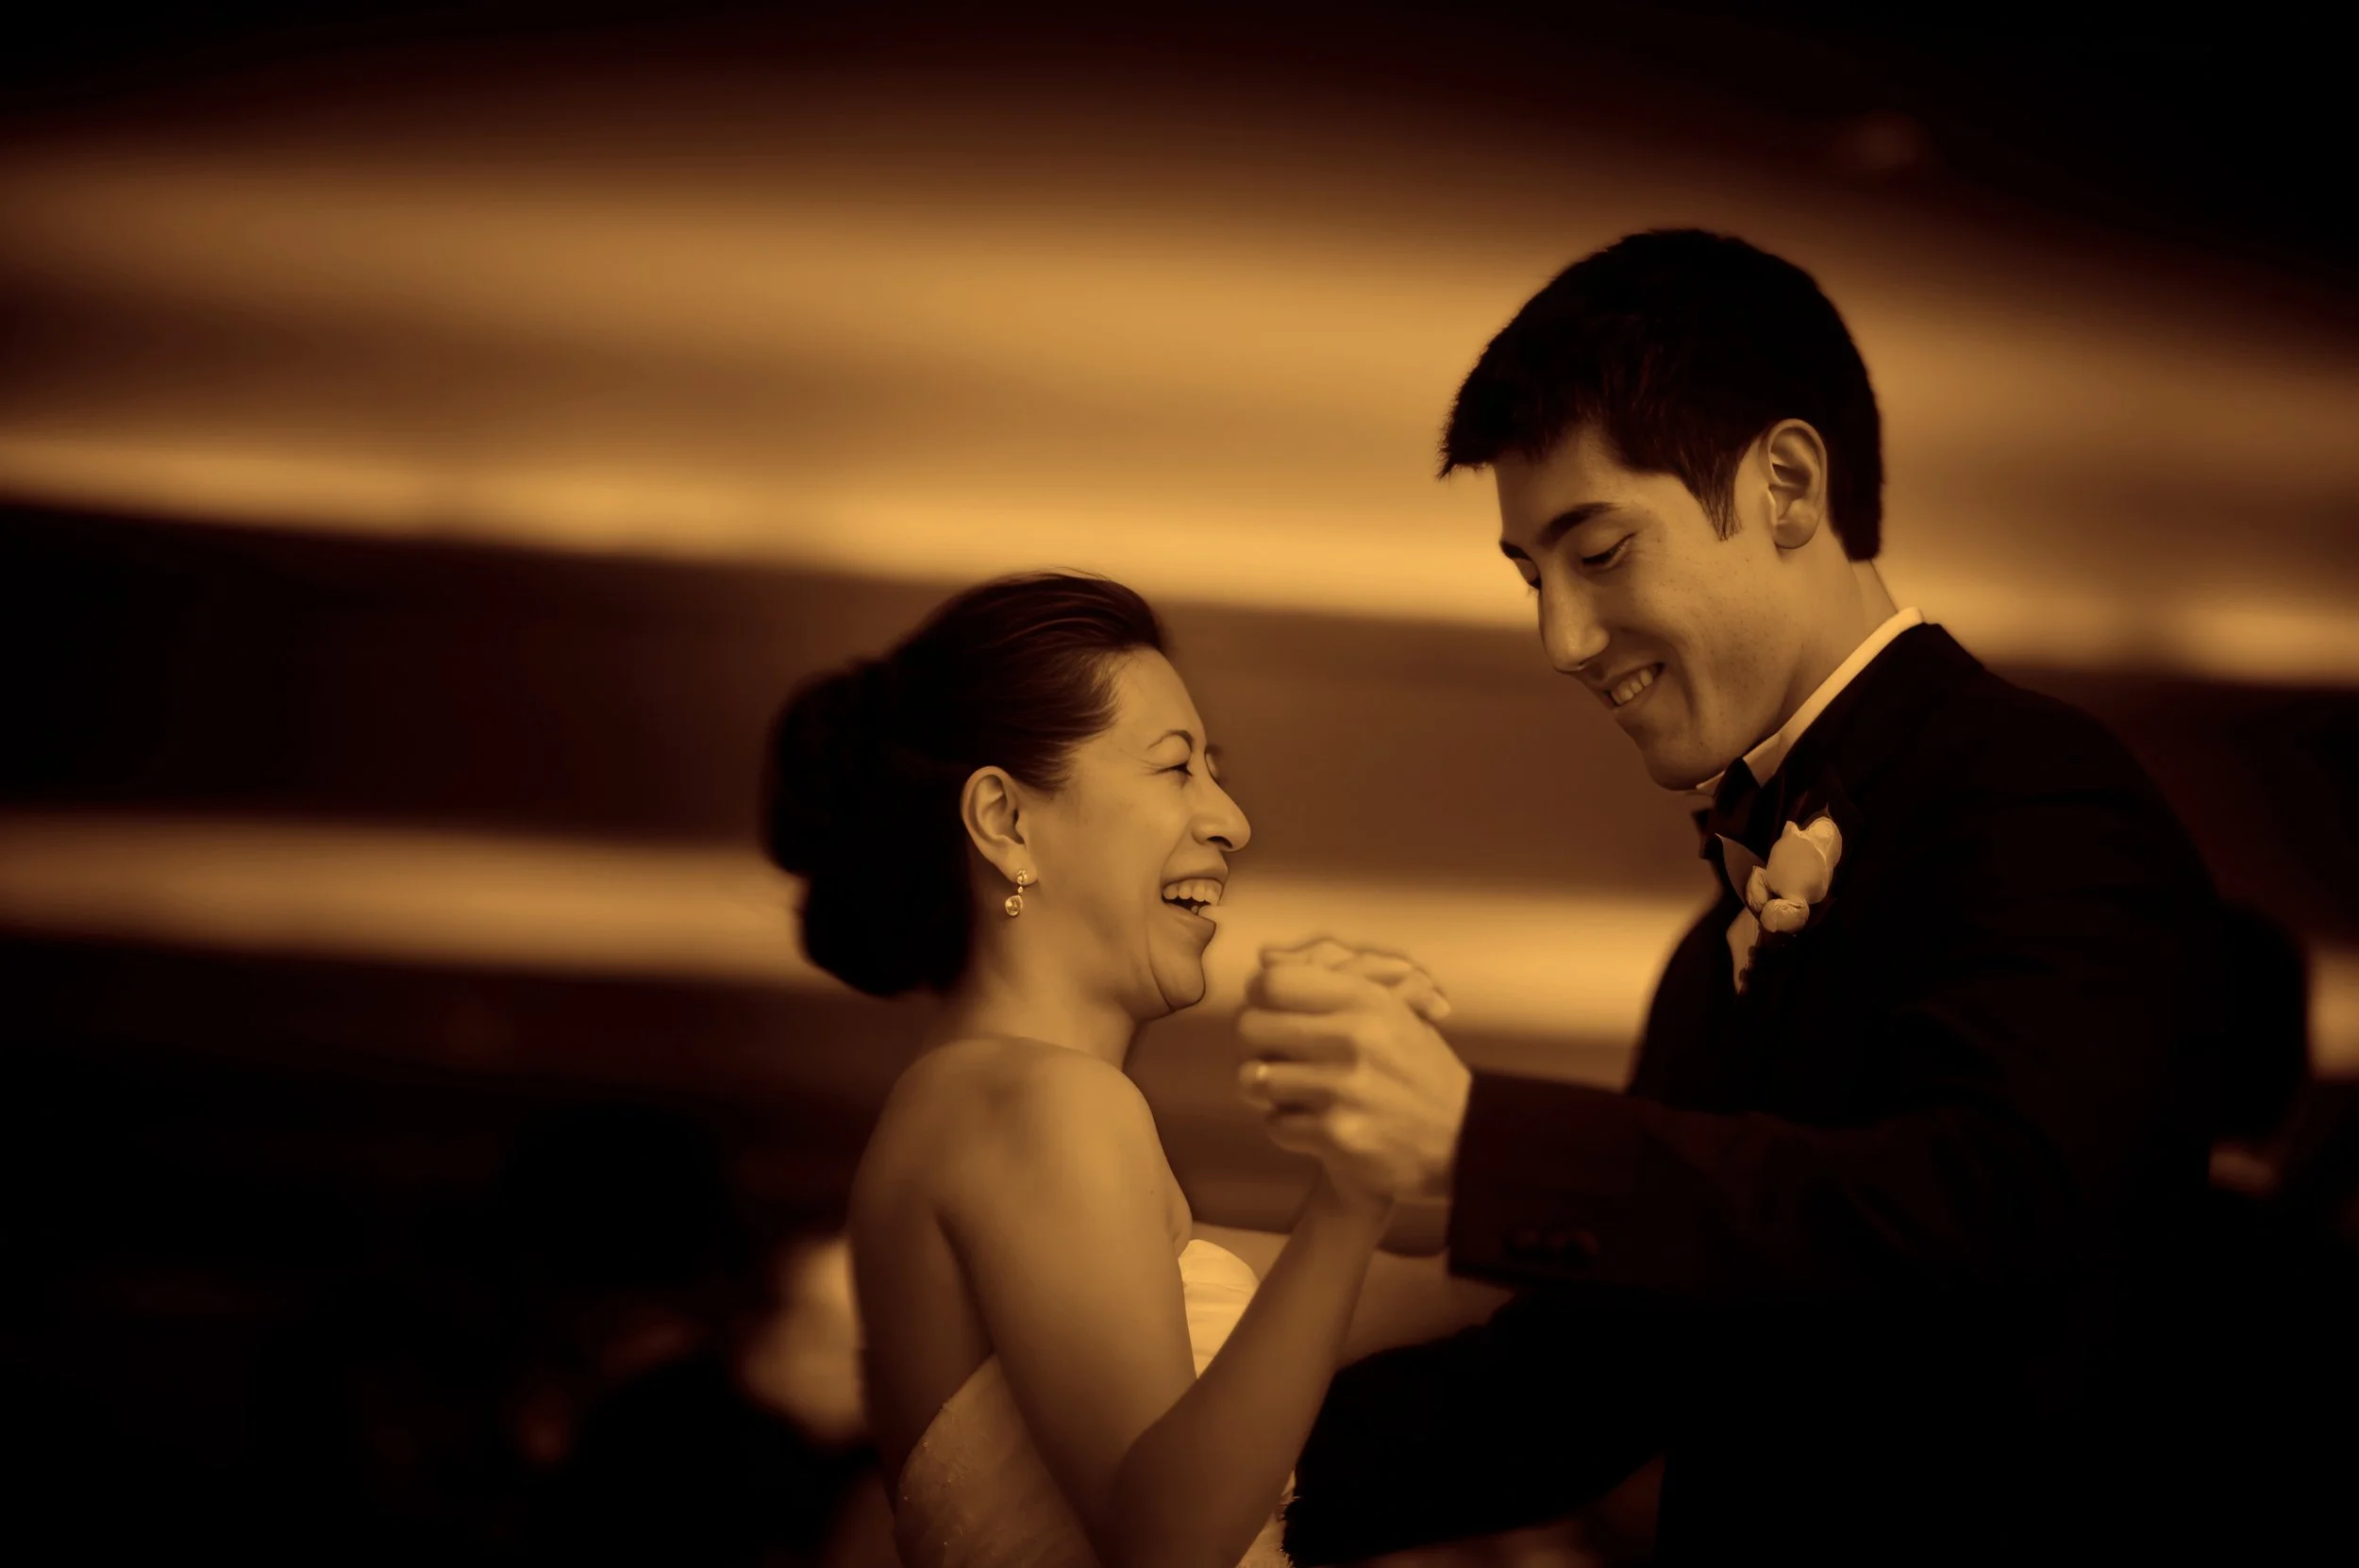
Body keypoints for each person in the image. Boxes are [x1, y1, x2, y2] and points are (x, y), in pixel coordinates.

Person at [1239, 230, 2227, 1565]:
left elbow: (2001, 1204)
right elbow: (1598, 1376)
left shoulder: (2035, 788)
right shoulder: (1715, 956)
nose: (1561, 641)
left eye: (1597, 553)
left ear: (1788, 484)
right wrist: (1207, 1486)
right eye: (1533, 577)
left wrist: (1483, 1142)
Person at [761, 573, 1442, 1568]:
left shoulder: (976, 1106)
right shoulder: (1040, 1100)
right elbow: (1164, 1538)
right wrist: (1350, 1189)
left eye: (1216, 769)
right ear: (1002, 820)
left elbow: (1404, 1293)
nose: (1230, 821)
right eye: (1176, 770)